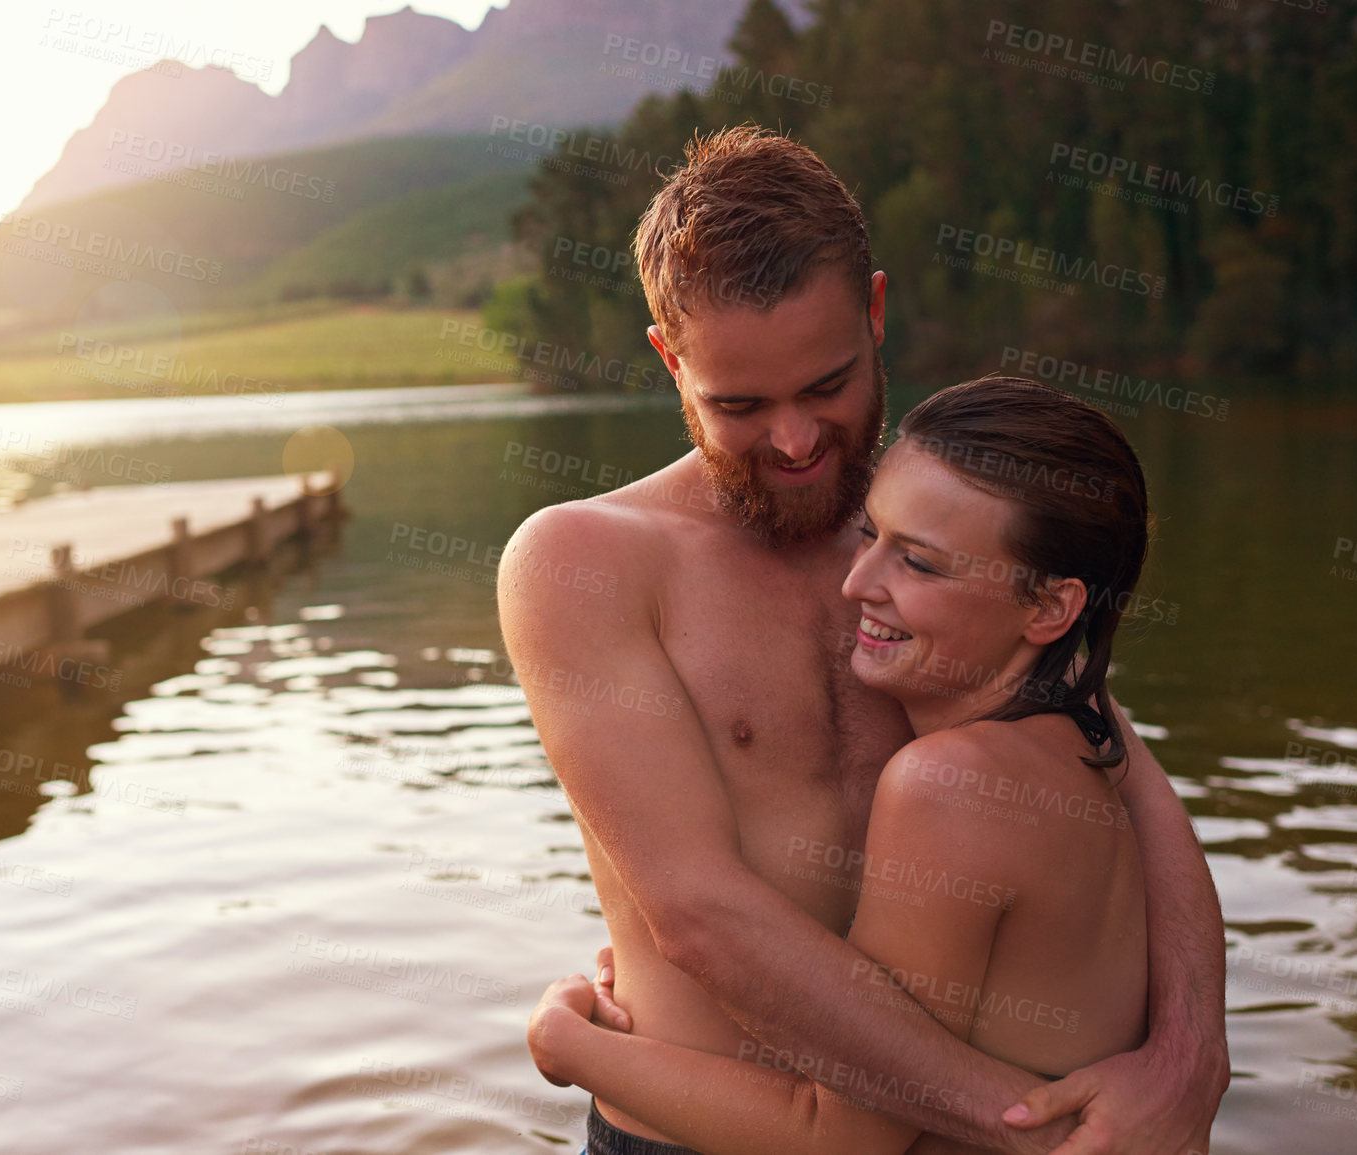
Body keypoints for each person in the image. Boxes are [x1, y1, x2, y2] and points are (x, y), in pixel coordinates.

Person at [495, 126, 1226, 1155]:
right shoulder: (587, 563)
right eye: (740, 405)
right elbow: (698, 914)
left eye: (827, 387)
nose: (795, 441)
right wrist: (1026, 1126)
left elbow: (1133, 785)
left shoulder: (943, 535)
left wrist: (1190, 1060)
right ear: (671, 362)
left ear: (875, 314)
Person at [527, 375, 1162, 1154]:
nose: (857, 582)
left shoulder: (949, 786)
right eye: (870, 535)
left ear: (1049, 608)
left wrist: (571, 1046)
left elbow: (843, 1137)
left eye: (921, 564)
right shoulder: (1082, 749)